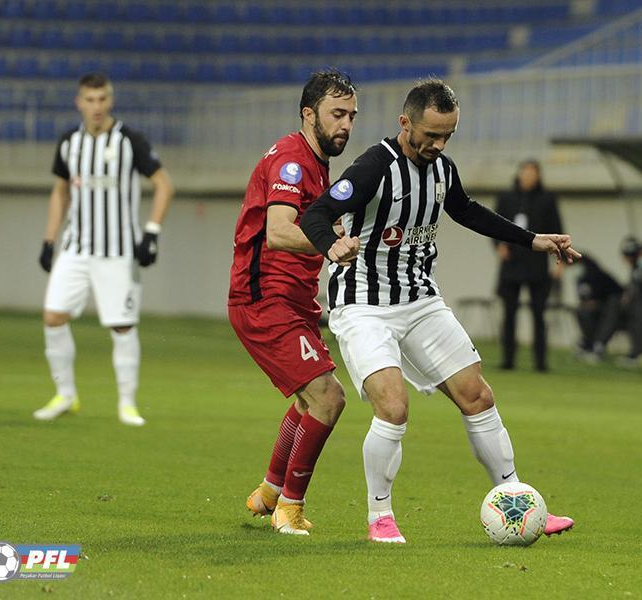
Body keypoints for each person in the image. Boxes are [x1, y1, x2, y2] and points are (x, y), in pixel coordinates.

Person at [300, 79, 577, 544]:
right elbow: (315, 214)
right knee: (393, 406)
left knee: (478, 396)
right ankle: (380, 517)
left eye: (448, 135)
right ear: (405, 122)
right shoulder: (373, 167)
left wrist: (532, 240)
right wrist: (332, 246)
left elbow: (467, 211)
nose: (439, 144)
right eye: (431, 134)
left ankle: (517, 501)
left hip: (420, 301)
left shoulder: (442, 169)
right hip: (364, 304)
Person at [227, 70, 361, 536]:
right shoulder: (292, 161)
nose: (346, 125)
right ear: (308, 114)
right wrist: (332, 244)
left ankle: (269, 492)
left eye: (351, 116)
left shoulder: (315, 163)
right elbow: (279, 232)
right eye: (337, 114)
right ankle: (290, 507)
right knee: (328, 397)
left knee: (310, 400)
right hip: (265, 298)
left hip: (293, 300)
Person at [34, 73, 174, 427]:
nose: (96, 106)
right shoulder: (70, 142)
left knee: (122, 326)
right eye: (89, 99)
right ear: (79, 102)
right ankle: (66, 395)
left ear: (110, 101)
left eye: (101, 99)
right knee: (53, 317)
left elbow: (163, 184)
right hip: (76, 248)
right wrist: (49, 239)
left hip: (118, 251)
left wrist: (152, 232)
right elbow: (61, 191)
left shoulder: (130, 141)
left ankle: (127, 404)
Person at [493, 160, 563, 371]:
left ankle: (540, 361)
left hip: (537, 266)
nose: (528, 177)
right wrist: (498, 246)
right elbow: (493, 225)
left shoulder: (547, 199)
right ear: (519, 174)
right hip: (511, 265)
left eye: (533, 173)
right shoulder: (506, 197)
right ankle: (508, 359)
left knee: (539, 314)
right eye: (525, 172)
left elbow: (556, 228)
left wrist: (559, 261)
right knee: (509, 314)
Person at [573, 254, 623, 361]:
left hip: (612, 307)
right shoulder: (581, 279)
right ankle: (589, 343)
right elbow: (586, 300)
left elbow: (610, 296)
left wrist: (593, 303)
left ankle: (598, 345)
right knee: (582, 312)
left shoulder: (595, 275)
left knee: (610, 313)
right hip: (598, 309)